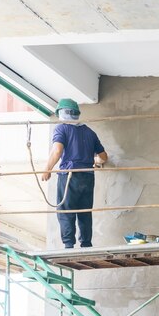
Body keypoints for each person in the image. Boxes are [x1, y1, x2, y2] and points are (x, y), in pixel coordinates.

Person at [41, 98, 108, 248]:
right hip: (88, 176)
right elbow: (103, 157)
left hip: (70, 175)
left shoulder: (61, 129)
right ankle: (86, 244)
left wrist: (47, 170)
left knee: (65, 210)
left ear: (62, 113)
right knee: (84, 211)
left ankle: (69, 245)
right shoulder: (90, 132)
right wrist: (94, 161)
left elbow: (57, 150)